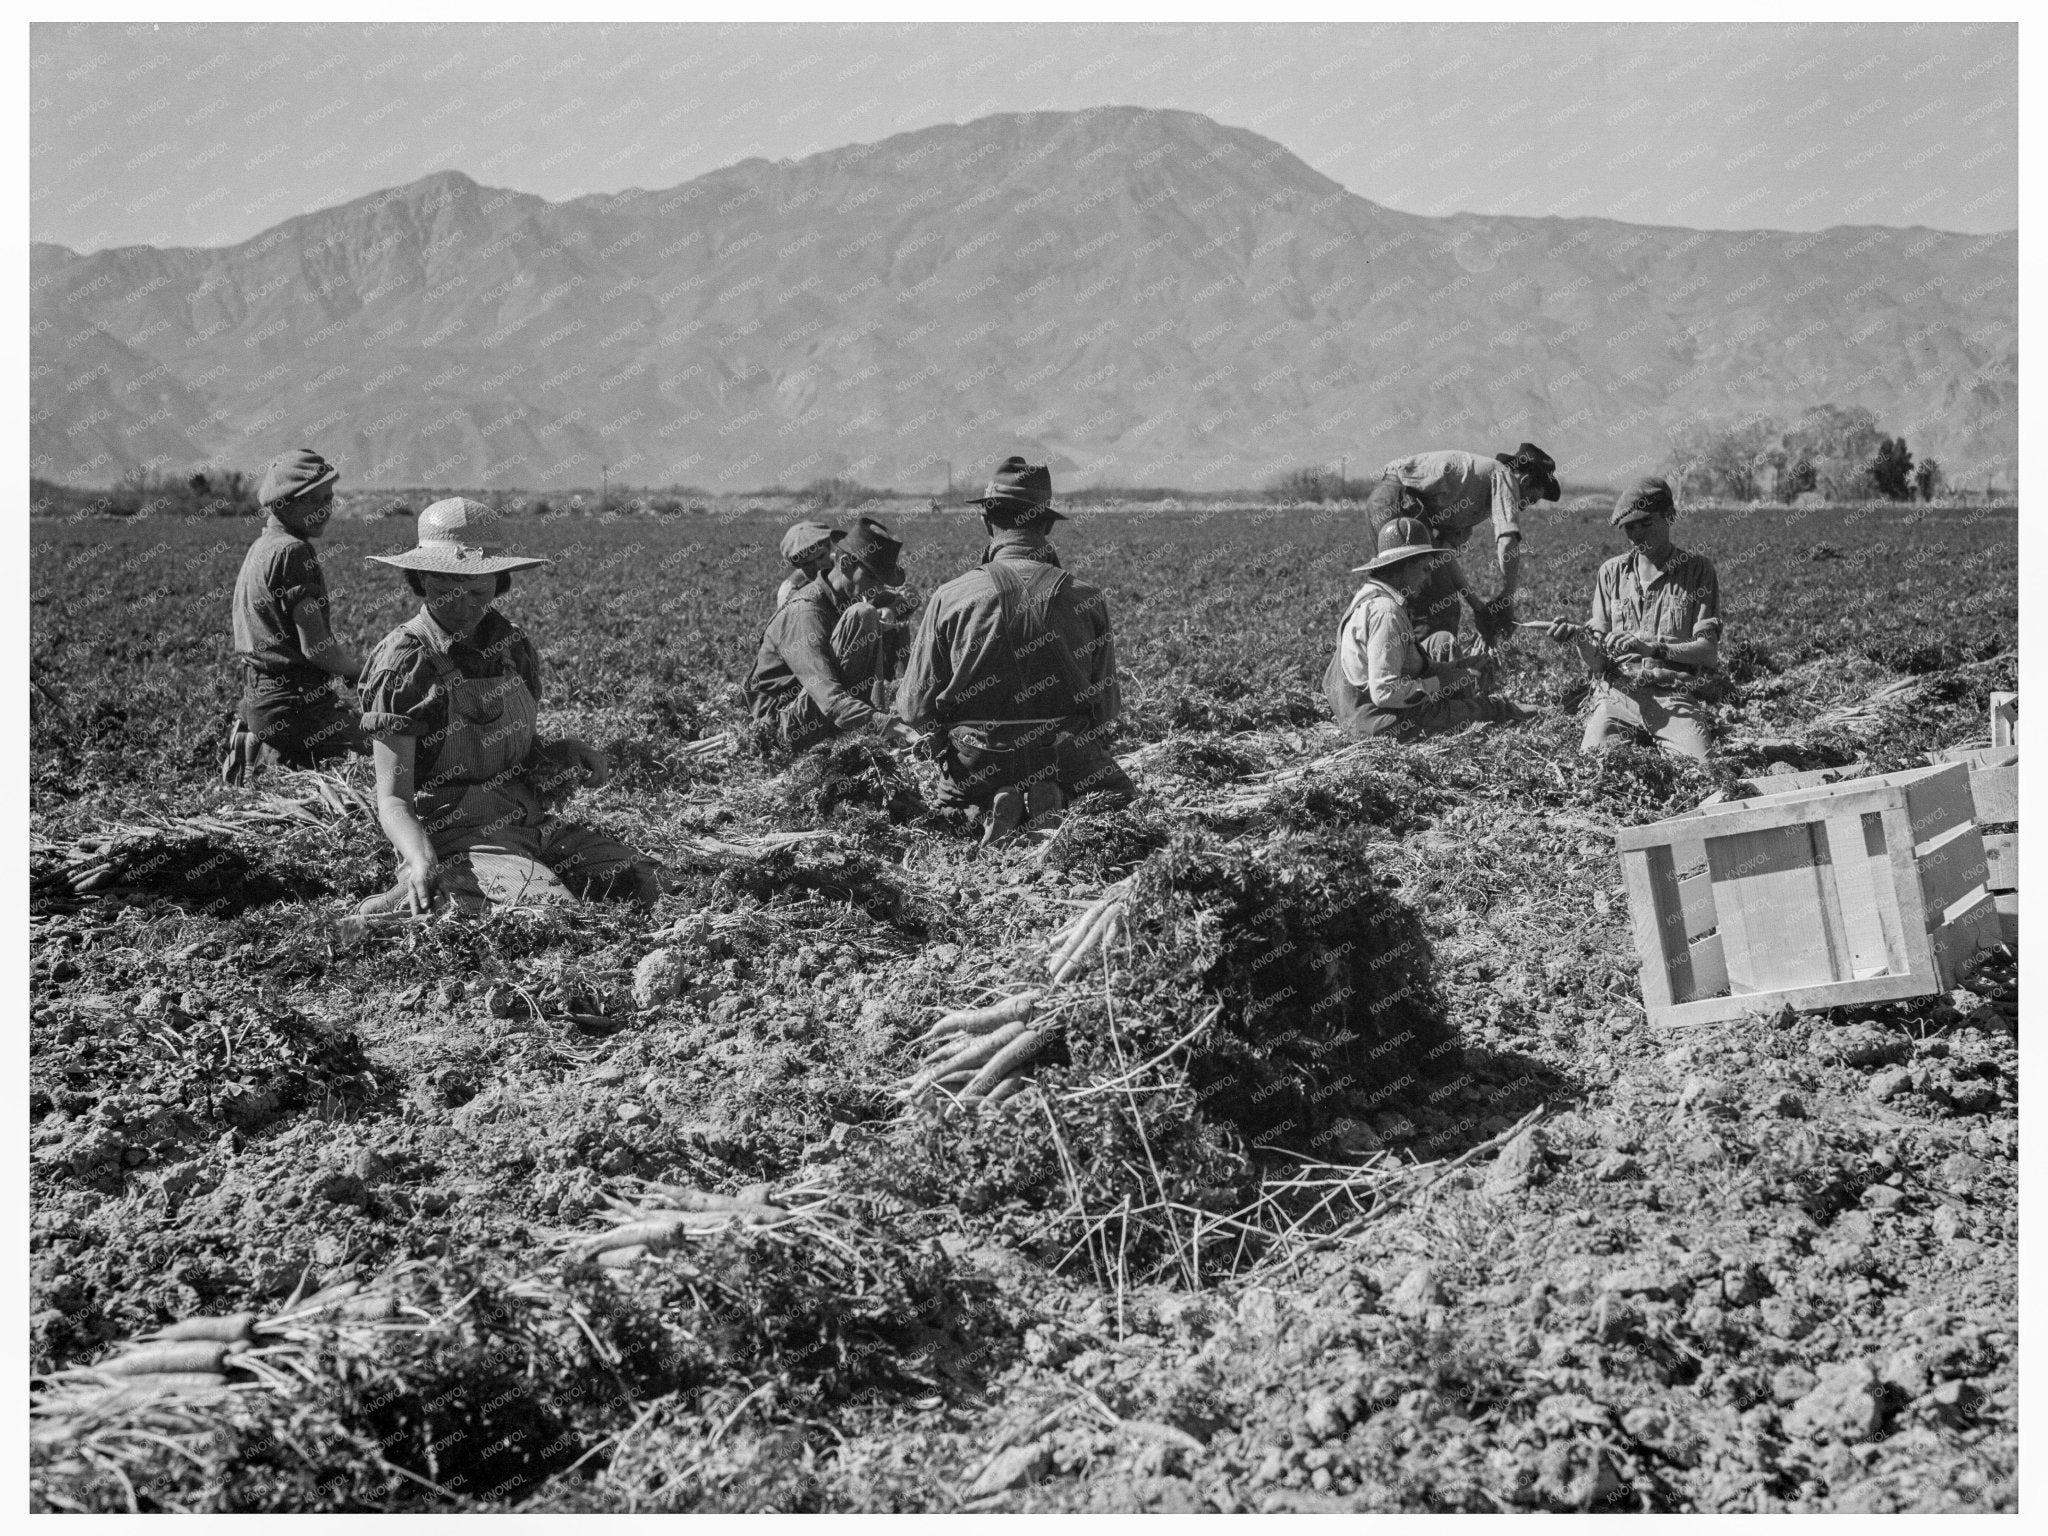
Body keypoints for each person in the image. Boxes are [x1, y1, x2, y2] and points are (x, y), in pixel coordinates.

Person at [353, 499, 660, 916]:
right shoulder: (406, 662)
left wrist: (561, 752)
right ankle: (420, 898)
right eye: (445, 592)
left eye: (477, 592)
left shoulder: (512, 648)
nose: (462, 608)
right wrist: (420, 859)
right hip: (456, 836)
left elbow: (516, 756)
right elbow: (394, 800)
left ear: (499, 583)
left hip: (528, 825)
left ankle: (487, 889)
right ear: (421, 580)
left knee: (651, 885)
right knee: (554, 918)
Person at [898, 456, 1135, 843]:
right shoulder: (1087, 598)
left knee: (948, 814)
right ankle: (1055, 795)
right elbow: (1106, 708)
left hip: (979, 756)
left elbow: (913, 708)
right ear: (1047, 524)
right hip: (1061, 752)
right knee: (1120, 803)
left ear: (987, 521)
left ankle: (988, 804)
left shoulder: (949, 597)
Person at [1548, 476, 1722, 761]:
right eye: (1630, 527)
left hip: (1671, 696)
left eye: (1646, 524)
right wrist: (1578, 639)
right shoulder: (1611, 573)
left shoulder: (1697, 571)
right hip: (1616, 696)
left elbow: (1708, 653)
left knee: (1703, 769)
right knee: (1591, 768)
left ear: (1669, 517)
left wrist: (1653, 648)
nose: (1637, 535)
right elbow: (1599, 661)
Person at [221, 448, 368, 784]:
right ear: (282, 504)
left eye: (328, 497)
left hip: (262, 701)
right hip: (295, 706)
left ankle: (266, 752)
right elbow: (316, 648)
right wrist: (360, 672)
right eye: (311, 500)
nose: (324, 508)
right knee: (386, 748)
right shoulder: (294, 552)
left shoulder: (263, 547)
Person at [1325, 516, 1531, 742]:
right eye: (1424, 570)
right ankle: (1543, 714)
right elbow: (1385, 692)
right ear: (1403, 566)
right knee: (1489, 710)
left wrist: (1459, 668)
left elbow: (1413, 668)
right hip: (1381, 724)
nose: (1429, 580)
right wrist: (1440, 683)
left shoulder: (1371, 596)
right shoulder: (1387, 612)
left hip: (1362, 715)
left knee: (1444, 649)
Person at [1361, 442, 1559, 649]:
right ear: (1524, 480)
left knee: (1417, 599)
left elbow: (1443, 558)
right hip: (1398, 501)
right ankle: (1423, 674)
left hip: (1390, 503)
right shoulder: (1504, 475)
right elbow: (1507, 540)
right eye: (1531, 499)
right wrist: (1507, 598)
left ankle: (1403, 664)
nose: (1525, 507)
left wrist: (1477, 606)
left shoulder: (1469, 511)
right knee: (1433, 609)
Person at [746, 516, 920, 752]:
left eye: (882, 581)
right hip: (783, 724)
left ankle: (880, 717)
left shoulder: (846, 590)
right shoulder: (805, 612)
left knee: (873, 616)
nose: (878, 588)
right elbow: (830, 699)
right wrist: (890, 726)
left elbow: (908, 599)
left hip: (815, 703)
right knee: (863, 614)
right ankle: (874, 731)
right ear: (846, 563)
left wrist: (890, 611)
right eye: (872, 578)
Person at [776, 520, 844, 608]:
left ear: (828, 547)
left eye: (820, 557)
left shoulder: (842, 565)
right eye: (807, 563)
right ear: (796, 565)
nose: (818, 567)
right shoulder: (788, 591)